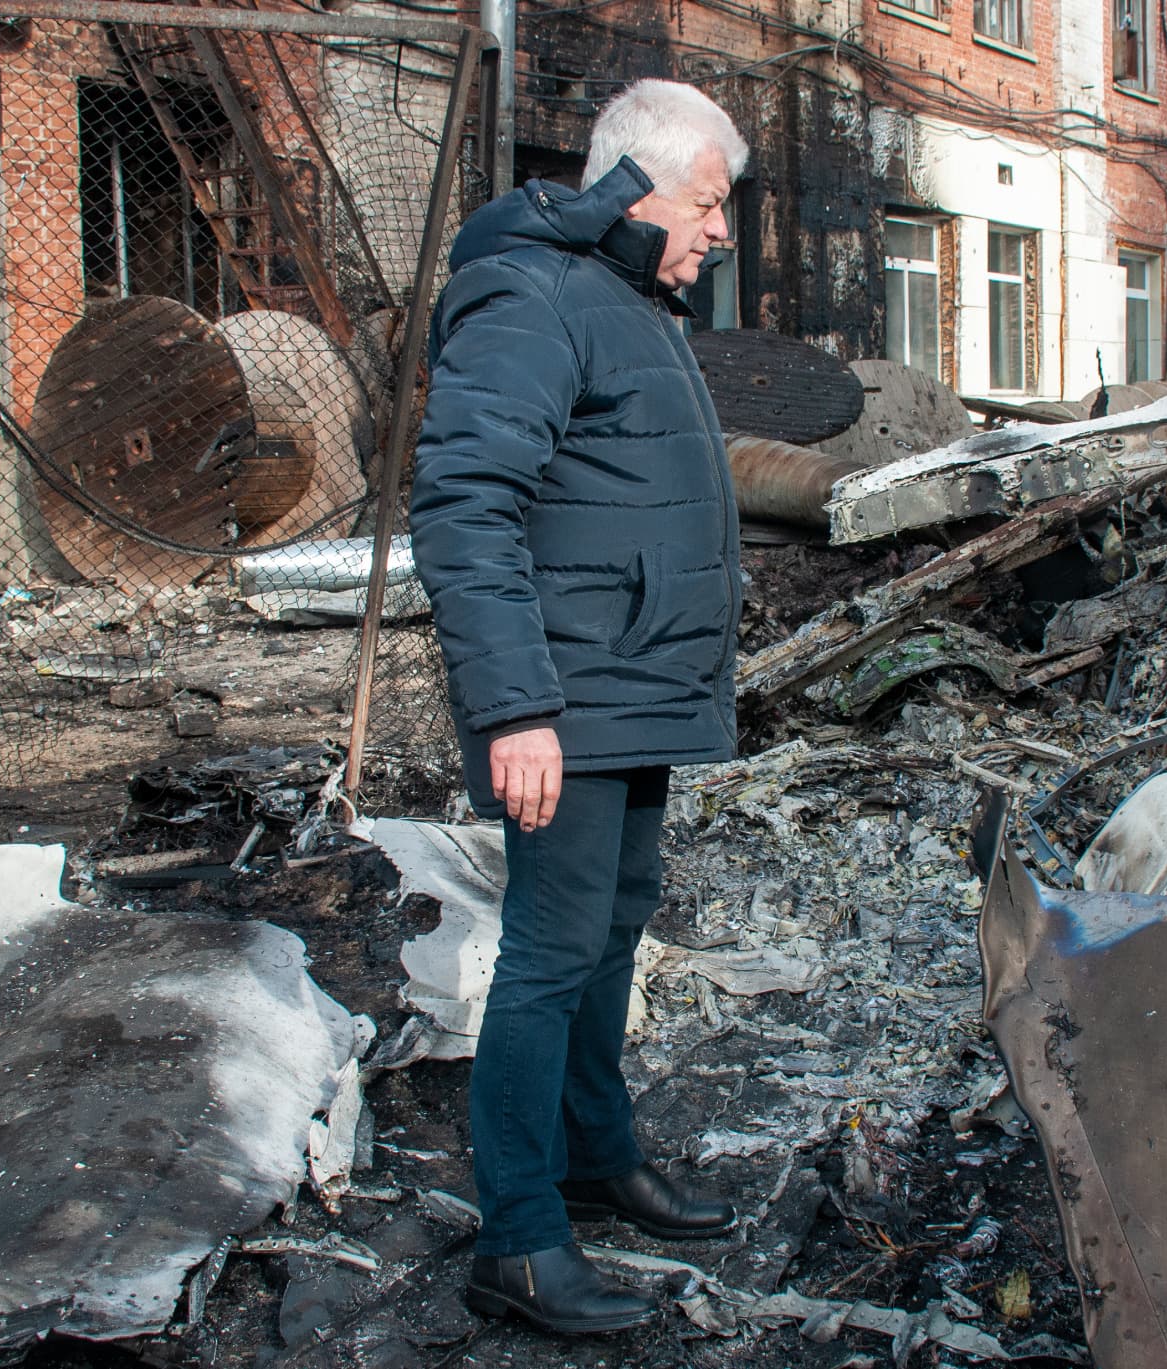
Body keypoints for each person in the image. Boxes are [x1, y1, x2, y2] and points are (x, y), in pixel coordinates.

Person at [407, 79, 748, 1335]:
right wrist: (517, 711)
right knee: (551, 955)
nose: (721, 232)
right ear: (631, 184)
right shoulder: (532, 293)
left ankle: (595, 1155)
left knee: (613, 927)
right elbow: (464, 506)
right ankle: (518, 1237)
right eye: (708, 203)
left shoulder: (629, 301)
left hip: (636, 686)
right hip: (566, 697)